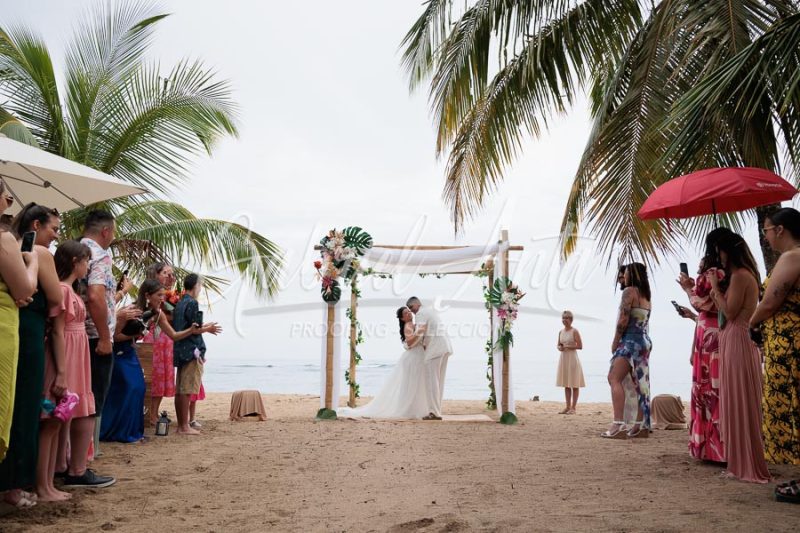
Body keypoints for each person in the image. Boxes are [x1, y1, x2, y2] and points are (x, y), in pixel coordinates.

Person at [0, 204, 63, 507]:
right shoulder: (39, 253)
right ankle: (14, 484)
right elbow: (54, 296)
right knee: (24, 403)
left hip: (13, 322)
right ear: (37, 225)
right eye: (54, 229)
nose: (55, 236)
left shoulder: (9, 245)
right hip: (27, 329)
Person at [707, 231, 770, 483]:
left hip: (737, 338)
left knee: (739, 399)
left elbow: (731, 312)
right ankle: (740, 461)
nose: (718, 257)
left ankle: (745, 465)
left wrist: (715, 289)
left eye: (719, 251)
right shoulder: (745, 275)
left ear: (728, 251)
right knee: (738, 399)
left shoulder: (741, 276)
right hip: (737, 338)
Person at [102, 279, 198, 442]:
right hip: (118, 352)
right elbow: (114, 336)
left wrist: (192, 330)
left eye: (163, 295)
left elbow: (173, 335)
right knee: (129, 388)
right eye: (159, 295)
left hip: (130, 352)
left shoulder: (158, 314)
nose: (163, 298)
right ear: (147, 295)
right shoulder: (131, 310)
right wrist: (128, 329)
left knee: (139, 388)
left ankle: (132, 431)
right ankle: (115, 431)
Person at [749, 207, 800, 501]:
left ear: (780, 230)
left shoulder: (792, 257)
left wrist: (752, 324)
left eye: (767, 230)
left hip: (790, 343)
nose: (766, 236)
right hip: (788, 339)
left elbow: (770, 302)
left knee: (791, 404)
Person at [0, 181, 38, 509]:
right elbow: (25, 290)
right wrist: (33, 261)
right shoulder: (4, 240)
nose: (10, 200)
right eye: (5, 195)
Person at [338, 307, 431, 419]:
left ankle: (415, 408)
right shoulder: (408, 326)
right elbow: (410, 342)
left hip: (418, 356)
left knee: (416, 384)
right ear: (402, 318)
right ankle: (409, 409)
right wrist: (420, 332)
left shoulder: (414, 325)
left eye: (409, 311)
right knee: (411, 384)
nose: (409, 313)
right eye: (406, 313)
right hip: (413, 358)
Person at [678, 255, 725, 463]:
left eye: (700, 267)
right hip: (707, 337)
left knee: (710, 390)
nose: (698, 272)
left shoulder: (714, 277)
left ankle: (712, 447)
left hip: (712, 341)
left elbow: (701, 303)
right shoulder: (720, 276)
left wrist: (688, 289)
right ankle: (709, 446)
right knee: (708, 390)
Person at [79, 210, 117, 461]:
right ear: (105, 231)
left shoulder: (74, 248)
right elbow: (95, 295)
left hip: (76, 333)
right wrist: (105, 337)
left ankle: (78, 455)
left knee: (80, 396)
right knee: (94, 398)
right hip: (95, 336)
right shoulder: (100, 255)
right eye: (113, 231)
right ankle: (86, 457)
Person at [602, 262, 652, 439]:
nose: (625, 275)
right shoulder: (646, 295)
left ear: (634, 275)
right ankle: (641, 425)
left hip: (630, 341)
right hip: (644, 341)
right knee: (640, 384)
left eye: (628, 272)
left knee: (613, 378)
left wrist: (616, 341)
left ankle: (618, 424)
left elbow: (623, 320)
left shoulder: (629, 292)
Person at [172, 274, 220, 435]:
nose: (200, 289)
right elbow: (195, 328)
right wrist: (208, 328)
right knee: (186, 389)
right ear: (196, 286)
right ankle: (184, 426)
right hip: (191, 349)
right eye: (200, 285)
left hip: (180, 347)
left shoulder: (180, 302)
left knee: (180, 389)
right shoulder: (192, 302)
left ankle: (181, 425)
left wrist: (204, 327)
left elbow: (188, 326)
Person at [407, 296, 453, 420]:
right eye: (409, 309)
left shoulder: (421, 313)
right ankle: (437, 410)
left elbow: (421, 332)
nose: (411, 311)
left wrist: (418, 344)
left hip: (435, 349)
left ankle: (434, 412)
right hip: (444, 346)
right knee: (438, 381)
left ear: (417, 304)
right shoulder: (430, 311)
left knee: (432, 382)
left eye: (411, 307)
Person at [143, 263, 178, 425]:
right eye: (165, 273)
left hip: (166, 339)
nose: (169, 277)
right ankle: (150, 413)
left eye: (171, 274)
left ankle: (154, 413)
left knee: (163, 377)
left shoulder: (171, 295)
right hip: (155, 337)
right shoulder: (149, 294)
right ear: (156, 275)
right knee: (154, 376)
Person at [555, 310, 585, 414]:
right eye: (563, 318)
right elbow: (558, 345)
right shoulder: (560, 332)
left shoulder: (574, 331)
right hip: (564, 358)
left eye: (566, 318)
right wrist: (560, 348)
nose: (564, 320)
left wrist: (568, 346)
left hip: (572, 359)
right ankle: (567, 406)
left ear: (571, 320)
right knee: (566, 384)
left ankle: (573, 408)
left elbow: (580, 346)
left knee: (574, 384)